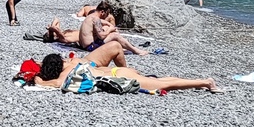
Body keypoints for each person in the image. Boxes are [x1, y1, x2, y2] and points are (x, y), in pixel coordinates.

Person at [29, 50, 219, 94]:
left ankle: (205, 82)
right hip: (118, 70)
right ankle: (199, 82)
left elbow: (57, 83)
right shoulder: (74, 62)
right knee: (162, 80)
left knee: (164, 85)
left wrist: (40, 80)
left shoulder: (68, 70)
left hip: (120, 76)